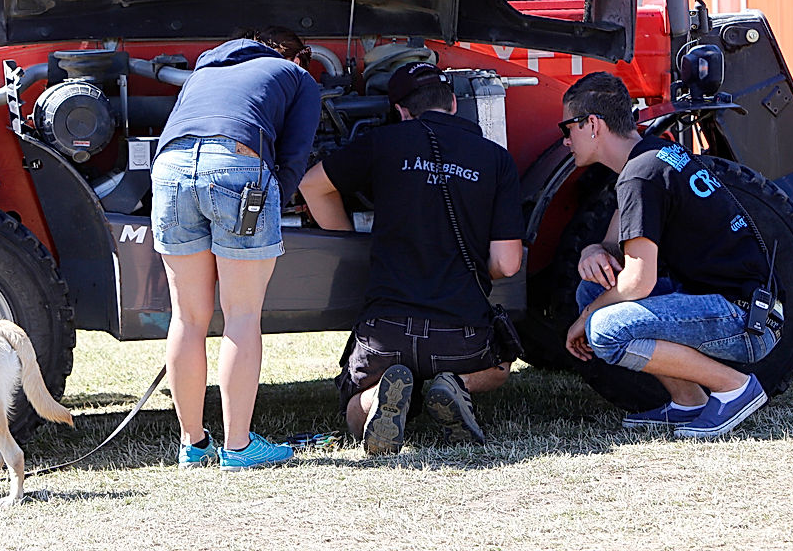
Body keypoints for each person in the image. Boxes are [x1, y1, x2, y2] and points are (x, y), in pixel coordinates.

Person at [299, 62, 524, 454]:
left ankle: (374, 400)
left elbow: (311, 186)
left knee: (352, 403)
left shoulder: (384, 142)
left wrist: (349, 244)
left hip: (385, 332)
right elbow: (507, 264)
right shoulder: (496, 159)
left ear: (401, 111)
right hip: (461, 337)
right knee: (500, 366)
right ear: (453, 103)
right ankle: (457, 385)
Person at [561, 71, 781, 438]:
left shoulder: (639, 175)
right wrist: (593, 250)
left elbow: (638, 282)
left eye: (567, 128)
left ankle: (734, 387)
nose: (566, 141)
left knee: (604, 329)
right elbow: (618, 238)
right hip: (750, 306)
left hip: (744, 319)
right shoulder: (652, 157)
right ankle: (688, 400)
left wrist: (583, 318)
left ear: (593, 125)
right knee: (593, 289)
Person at [152, 26, 320, 469]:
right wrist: (272, 201)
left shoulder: (206, 68)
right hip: (237, 166)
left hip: (168, 170)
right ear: (296, 56)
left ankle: (193, 444)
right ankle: (240, 447)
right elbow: (295, 156)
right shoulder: (296, 76)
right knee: (241, 314)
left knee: (187, 317)